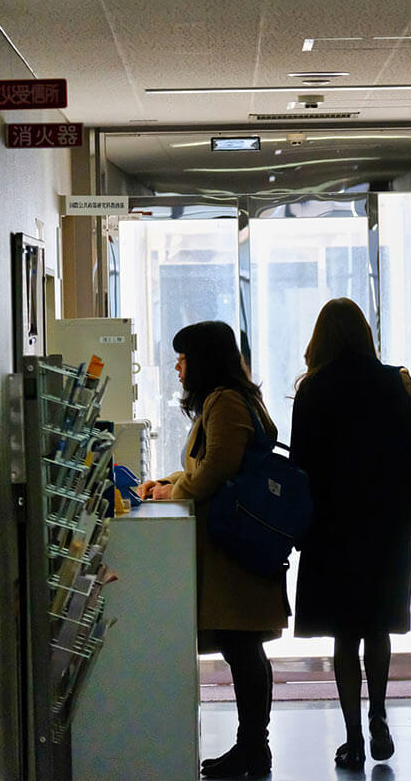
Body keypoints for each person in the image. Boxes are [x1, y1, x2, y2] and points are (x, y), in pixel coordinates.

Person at [289, 298, 411, 772]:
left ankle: (353, 737)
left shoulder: (313, 389)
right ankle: (379, 713)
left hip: (332, 525)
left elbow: (300, 465)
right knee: (377, 625)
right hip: (387, 523)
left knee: (344, 632)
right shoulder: (396, 381)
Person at [138, 320, 287, 779]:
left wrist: (175, 489)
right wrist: (167, 483)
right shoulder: (231, 398)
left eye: (183, 359)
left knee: (242, 645)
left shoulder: (224, 402)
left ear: (203, 360)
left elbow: (215, 470)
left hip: (235, 545)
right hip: (239, 540)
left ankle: (253, 748)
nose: (178, 368)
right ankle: (252, 747)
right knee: (243, 645)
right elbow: (206, 468)